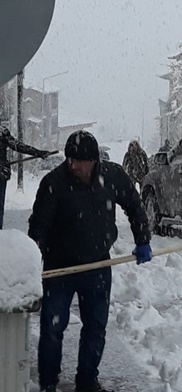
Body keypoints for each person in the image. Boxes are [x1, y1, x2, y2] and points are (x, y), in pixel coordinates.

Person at [28, 130, 153, 392]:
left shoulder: (113, 176)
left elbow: (134, 204)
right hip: (59, 266)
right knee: (52, 328)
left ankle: (87, 382)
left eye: (80, 161)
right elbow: (38, 227)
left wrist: (142, 239)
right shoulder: (54, 183)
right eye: (70, 160)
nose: (74, 166)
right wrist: (32, 262)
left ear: (94, 160)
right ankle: (48, 383)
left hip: (97, 264)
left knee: (95, 327)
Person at [0, 124, 52, 228]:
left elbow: (17, 145)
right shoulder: (2, 132)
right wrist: (37, 152)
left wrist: (37, 152)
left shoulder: (2, 132)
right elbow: (17, 145)